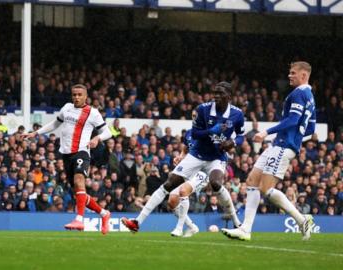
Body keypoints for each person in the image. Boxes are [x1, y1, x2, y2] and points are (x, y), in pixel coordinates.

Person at [122, 82, 244, 232]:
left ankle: (236, 222)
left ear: (229, 96)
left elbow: (241, 136)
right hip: (197, 155)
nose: (216, 96)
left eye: (221, 93)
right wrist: (212, 130)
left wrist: (233, 142)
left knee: (216, 184)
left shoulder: (237, 114)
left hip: (216, 157)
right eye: (215, 93)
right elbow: (195, 134)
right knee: (169, 184)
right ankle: (137, 222)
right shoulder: (203, 109)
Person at [222, 61, 316, 241]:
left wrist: (267, 132)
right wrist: (294, 137)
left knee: (266, 188)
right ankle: (245, 229)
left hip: (283, 146)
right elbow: (310, 128)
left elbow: (293, 120)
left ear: (304, 75)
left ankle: (301, 219)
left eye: (293, 73)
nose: (289, 75)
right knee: (251, 181)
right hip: (280, 144)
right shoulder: (310, 96)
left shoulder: (299, 94)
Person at [23, 84, 112, 234]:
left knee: (79, 181)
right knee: (78, 192)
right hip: (66, 154)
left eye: (79, 95)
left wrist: (97, 138)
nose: (76, 97)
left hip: (81, 152)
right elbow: (56, 123)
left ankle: (79, 219)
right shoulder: (66, 108)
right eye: (74, 95)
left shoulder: (93, 113)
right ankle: (104, 213)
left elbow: (108, 132)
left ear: (85, 97)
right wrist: (36, 133)